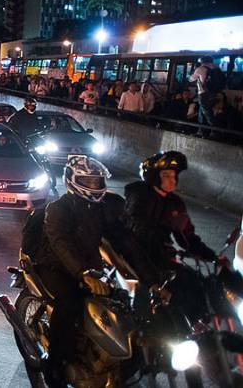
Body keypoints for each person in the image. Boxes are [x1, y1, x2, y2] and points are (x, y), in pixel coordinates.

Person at [32, 155, 155, 387]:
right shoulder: (58, 208)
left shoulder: (101, 209)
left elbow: (125, 242)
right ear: (71, 180)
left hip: (90, 268)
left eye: (97, 182)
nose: (94, 187)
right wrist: (83, 273)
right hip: (55, 265)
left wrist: (151, 279)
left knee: (120, 304)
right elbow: (61, 244)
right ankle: (56, 364)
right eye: (87, 182)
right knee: (69, 303)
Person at [189, 55, 222, 132]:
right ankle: (202, 131)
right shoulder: (217, 68)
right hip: (214, 94)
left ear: (202, 61)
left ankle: (215, 131)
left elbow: (191, 79)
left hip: (203, 94)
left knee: (207, 114)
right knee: (203, 112)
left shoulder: (200, 69)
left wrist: (194, 70)